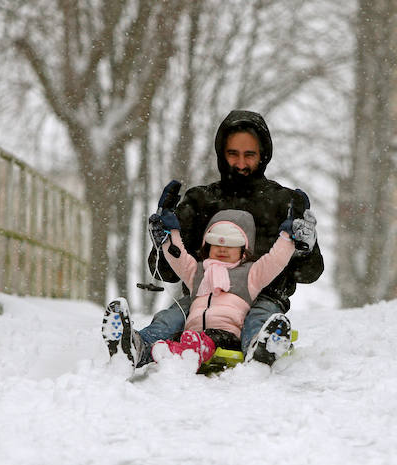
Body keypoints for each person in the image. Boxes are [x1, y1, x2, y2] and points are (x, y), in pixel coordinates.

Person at [102, 109, 323, 368]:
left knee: (260, 317)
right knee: (170, 318)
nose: (241, 164)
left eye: (249, 155)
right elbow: (167, 272)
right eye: (233, 154)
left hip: (264, 296)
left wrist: (303, 247)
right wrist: (162, 241)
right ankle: (138, 346)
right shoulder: (201, 201)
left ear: (263, 155)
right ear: (221, 153)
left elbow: (309, 273)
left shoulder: (283, 202)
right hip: (203, 295)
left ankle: (260, 347)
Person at [146, 208, 296, 366]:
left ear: (243, 249)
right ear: (207, 245)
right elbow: (177, 256)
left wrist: (287, 237)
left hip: (227, 335)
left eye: (231, 245)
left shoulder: (251, 274)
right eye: (216, 243)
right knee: (174, 337)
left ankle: (262, 348)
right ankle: (157, 351)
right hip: (192, 334)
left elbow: (275, 260)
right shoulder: (197, 272)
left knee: (210, 337)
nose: (222, 249)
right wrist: (170, 234)